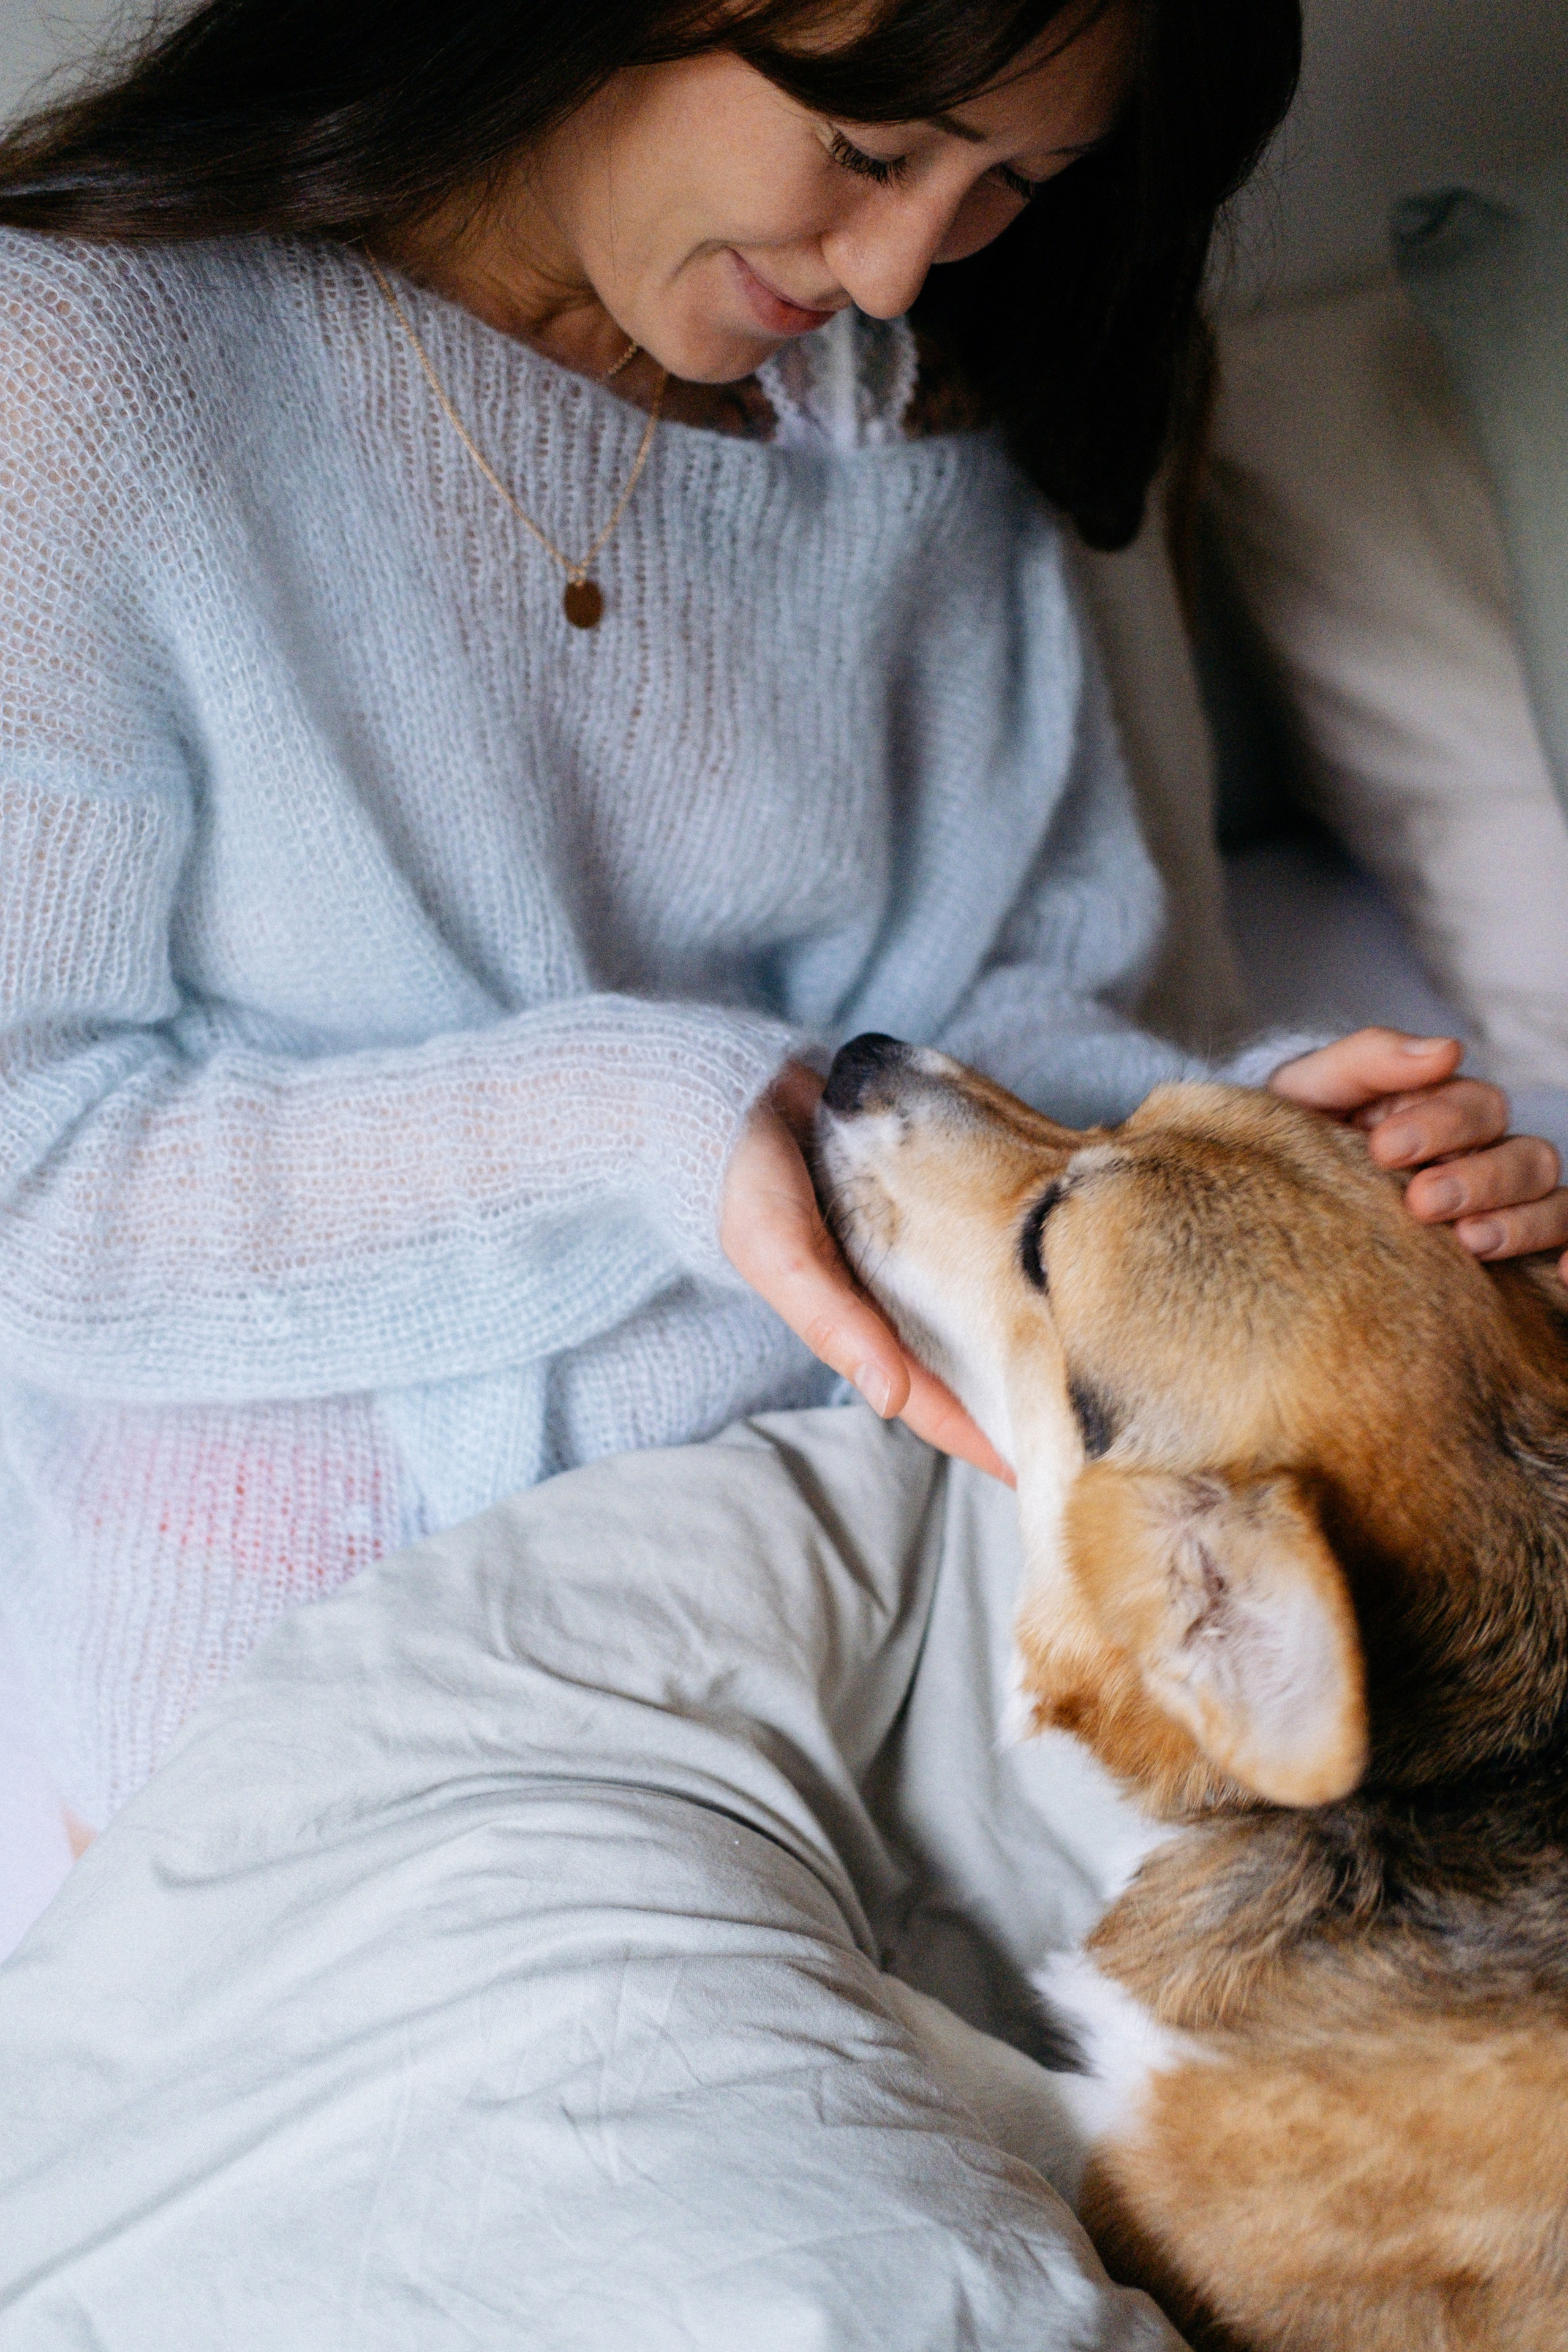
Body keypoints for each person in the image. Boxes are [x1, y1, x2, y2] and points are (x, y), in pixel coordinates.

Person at [1, 0, 1563, 1841]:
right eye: (876, 151)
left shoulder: (905, 419)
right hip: (355, 1631)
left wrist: (1263, 1172)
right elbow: (42, 1171)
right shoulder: (79, 381)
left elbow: (1007, 1004)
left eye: (1016, 184)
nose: (904, 266)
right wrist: (651, 1122)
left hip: (924, 1594)